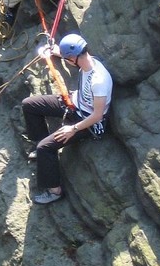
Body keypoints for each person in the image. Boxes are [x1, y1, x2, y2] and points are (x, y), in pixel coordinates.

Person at [22, 34, 112, 205]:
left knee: (44, 148)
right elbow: (68, 55)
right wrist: (54, 51)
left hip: (89, 122)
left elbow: (98, 115)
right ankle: (44, 147)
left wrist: (73, 129)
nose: (66, 60)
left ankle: (54, 191)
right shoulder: (88, 62)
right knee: (29, 105)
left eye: (67, 58)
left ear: (73, 58)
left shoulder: (99, 81)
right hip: (74, 104)